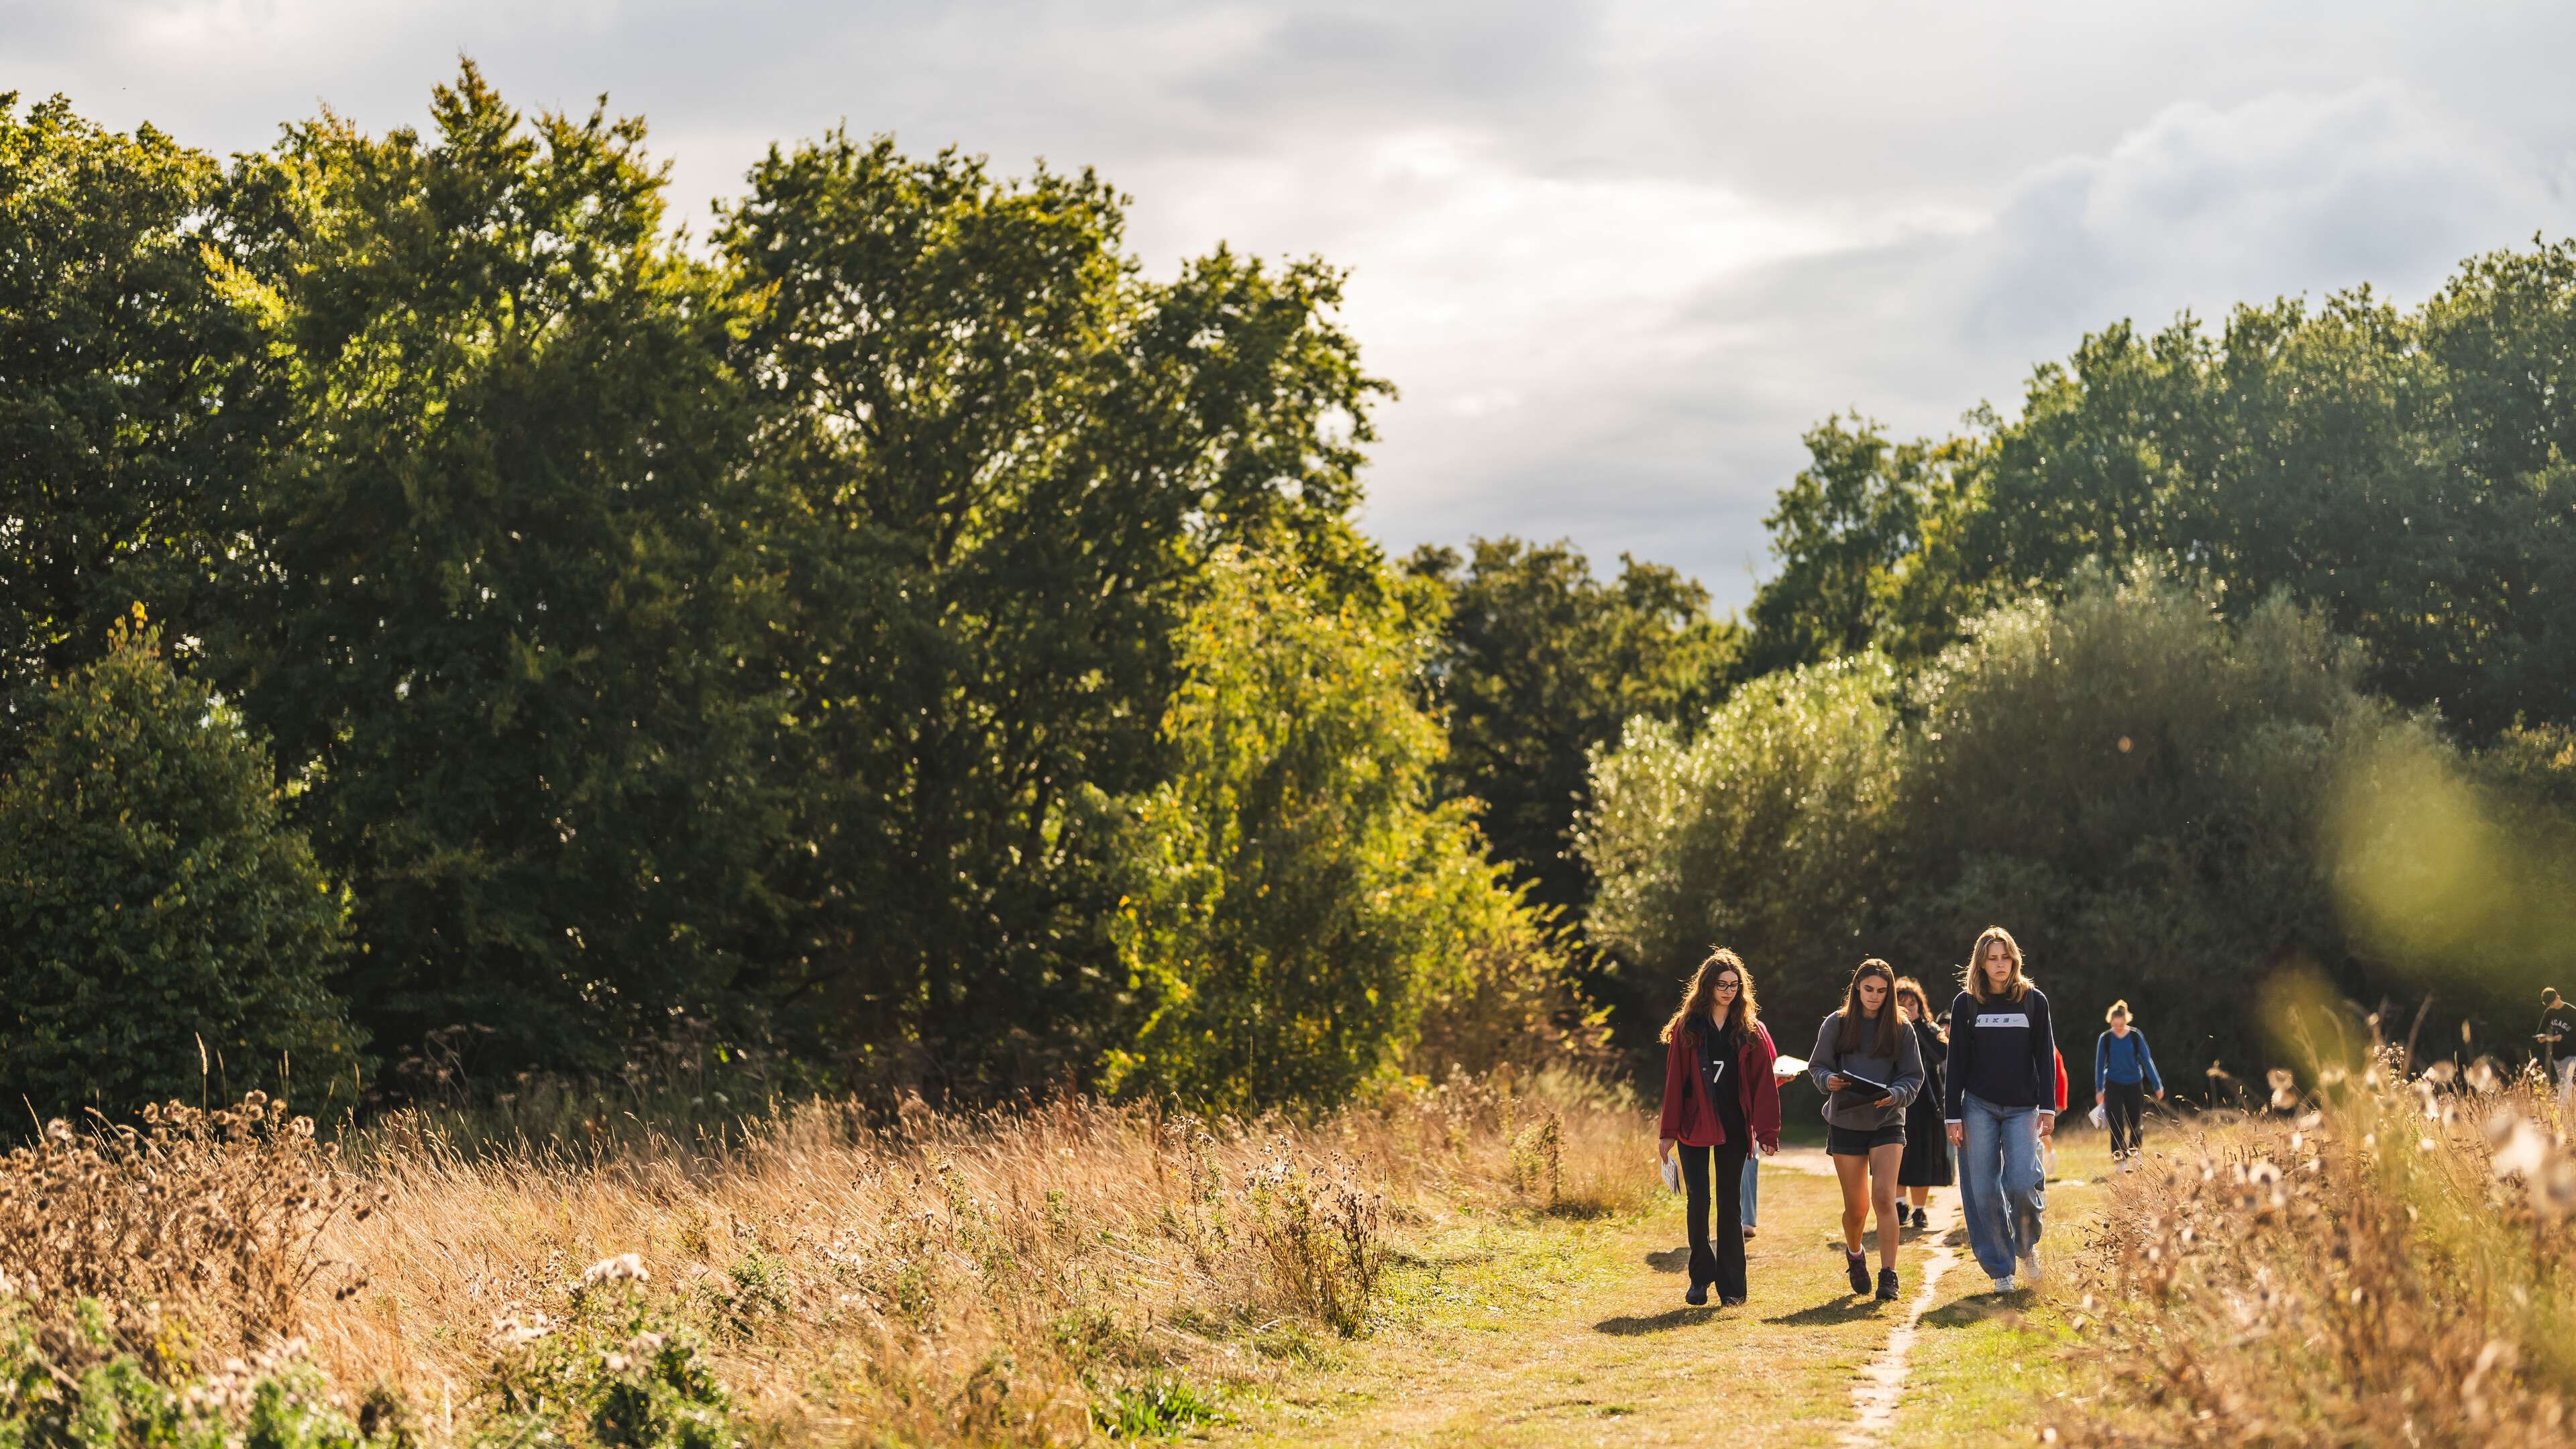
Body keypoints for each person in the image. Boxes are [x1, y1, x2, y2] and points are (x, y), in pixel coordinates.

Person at [1656, 949, 1783, 1307]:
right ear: (1707, 986)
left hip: (1734, 1126)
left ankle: (1732, 1287)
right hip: (1693, 1126)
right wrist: (1667, 1132)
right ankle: (1699, 1279)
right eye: (1721, 984)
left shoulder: (1750, 1030)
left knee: (1730, 1203)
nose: (1728, 990)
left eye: (1734, 984)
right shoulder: (1687, 1028)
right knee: (1699, 1200)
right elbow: (1674, 1082)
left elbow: (1763, 1084)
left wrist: (1768, 1131)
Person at [1944, 926, 2057, 1294]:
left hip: (2024, 1108)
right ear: (1981, 962)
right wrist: (1953, 1115)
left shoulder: (2033, 1001)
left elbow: (2045, 1056)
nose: (2000, 964)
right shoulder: (1967, 1004)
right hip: (1977, 1106)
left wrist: (2048, 1107)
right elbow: (1956, 1061)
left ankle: (2026, 1246)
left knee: (2023, 1181)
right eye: (1992, 958)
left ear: (2014, 958)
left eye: (2005, 956)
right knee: (1983, 1190)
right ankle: (2001, 1269)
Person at [1809, 959, 1925, 1303]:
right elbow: (1818, 1066)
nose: (1874, 996)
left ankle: (1889, 1274)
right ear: (1857, 989)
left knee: (1884, 1199)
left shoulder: (1902, 1028)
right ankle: (1855, 1254)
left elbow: (1913, 1077)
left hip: (1888, 1120)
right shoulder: (1836, 1024)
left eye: (1881, 991)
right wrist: (1826, 1080)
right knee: (1857, 1208)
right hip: (1846, 1120)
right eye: (1869, 989)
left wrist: (1895, 1095)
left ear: (1889, 993)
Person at [1893, 975, 1951, 1228]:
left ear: (1920, 1005)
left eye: (1912, 1004)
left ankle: (1919, 1210)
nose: (1908, 1009)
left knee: (1923, 1158)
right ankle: (1898, 1206)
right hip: (1895, 1103)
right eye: (1902, 1005)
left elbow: (1942, 1054)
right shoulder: (1887, 1031)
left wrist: (1918, 1026)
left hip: (1927, 1104)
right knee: (1896, 1158)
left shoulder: (1931, 1030)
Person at [2094, 1000, 2165, 1168]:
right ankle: (2120, 1159)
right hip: (2113, 1085)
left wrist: (2158, 1085)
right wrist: (2099, 1089)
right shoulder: (2105, 1039)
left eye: (2121, 1024)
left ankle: (2135, 1152)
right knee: (2116, 1122)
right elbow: (2099, 1065)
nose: (2118, 1027)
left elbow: (2147, 1061)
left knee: (2135, 1120)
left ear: (2126, 1021)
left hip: (2134, 1083)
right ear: (2110, 1022)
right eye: (2115, 1024)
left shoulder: (2135, 1036)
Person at [2539, 988, 2576, 1104]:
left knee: (2566, 1082)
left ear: (2558, 997)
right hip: (2556, 1054)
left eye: (2554, 1003)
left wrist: (2562, 1037)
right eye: (2550, 1005)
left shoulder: (2572, 1012)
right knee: (2562, 1082)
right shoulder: (2549, 1012)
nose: (2553, 1006)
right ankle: (2566, 1110)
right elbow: (2540, 1032)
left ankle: (2562, 1109)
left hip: (2571, 1052)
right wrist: (2543, 1037)